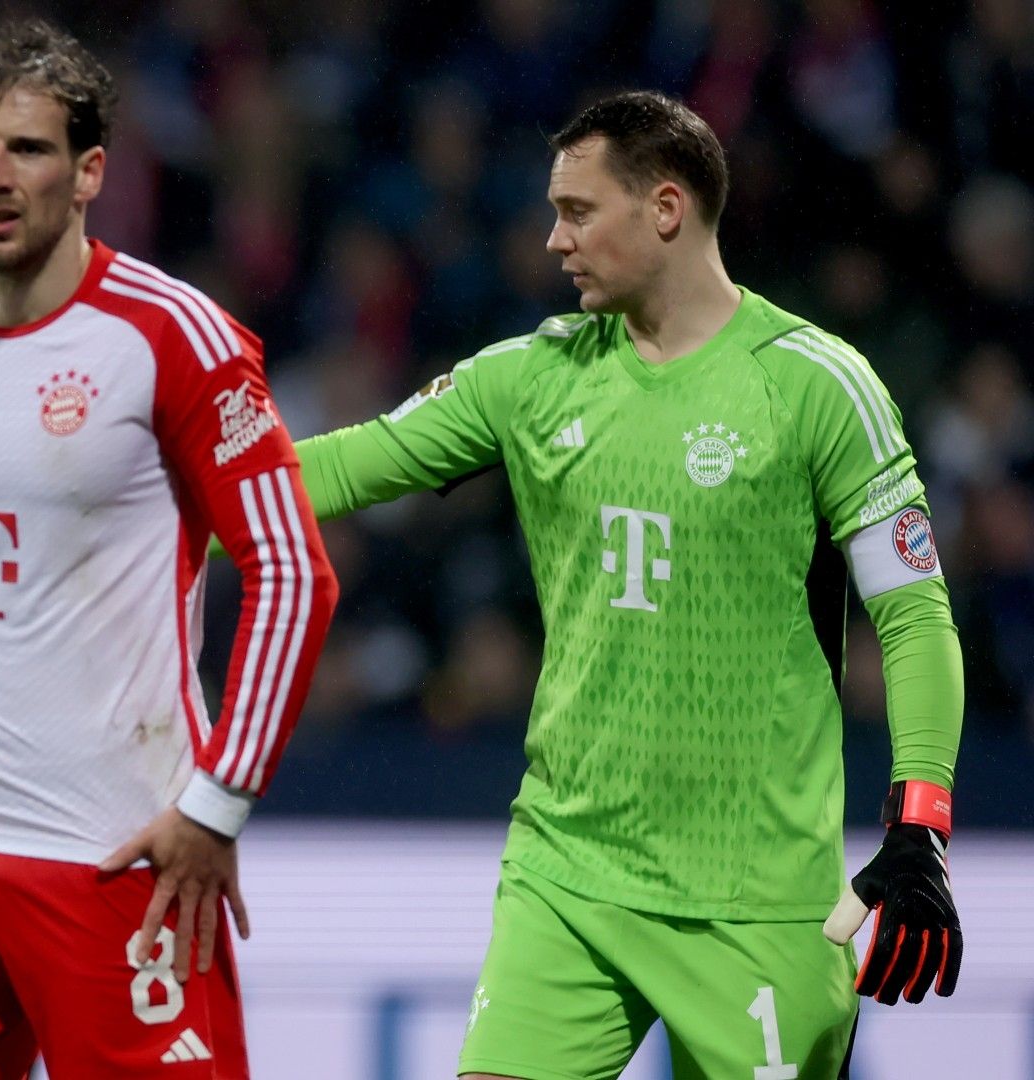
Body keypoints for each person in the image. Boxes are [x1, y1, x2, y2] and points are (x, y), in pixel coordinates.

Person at [282, 91, 963, 1079]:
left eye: (578, 210)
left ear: (666, 209)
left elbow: (914, 614)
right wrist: (144, 506)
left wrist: (923, 823)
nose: (554, 239)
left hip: (756, 902)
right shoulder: (532, 376)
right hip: (569, 876)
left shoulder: (817, 385)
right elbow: (342, 468)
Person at [0, 20, 338, 1079]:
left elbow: (293, 576)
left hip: (118, 852)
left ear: (88, 173)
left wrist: (218, 803)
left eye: (28, 149)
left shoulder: (175, 336)